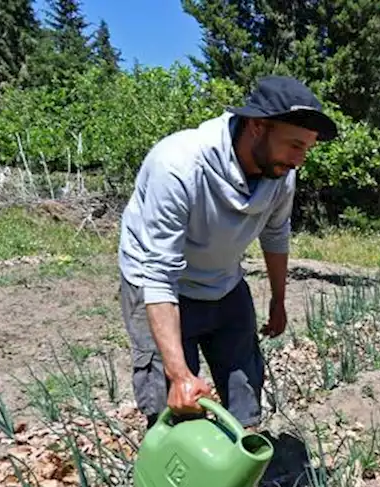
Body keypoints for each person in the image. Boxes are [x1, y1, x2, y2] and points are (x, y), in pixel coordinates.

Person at [117, 75, 337, 431]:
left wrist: (279, 300)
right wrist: (178, 374)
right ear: (257, 126)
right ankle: (176, 476)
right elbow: (158, 273)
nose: (300, 160)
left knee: (245, 387)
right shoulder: (179, 165)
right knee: (175, 403)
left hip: (223, 280)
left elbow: (276, 233)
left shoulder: (280, 174)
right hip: (159, 287)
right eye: (294, 145)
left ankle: (236, 466)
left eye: (307, 148)